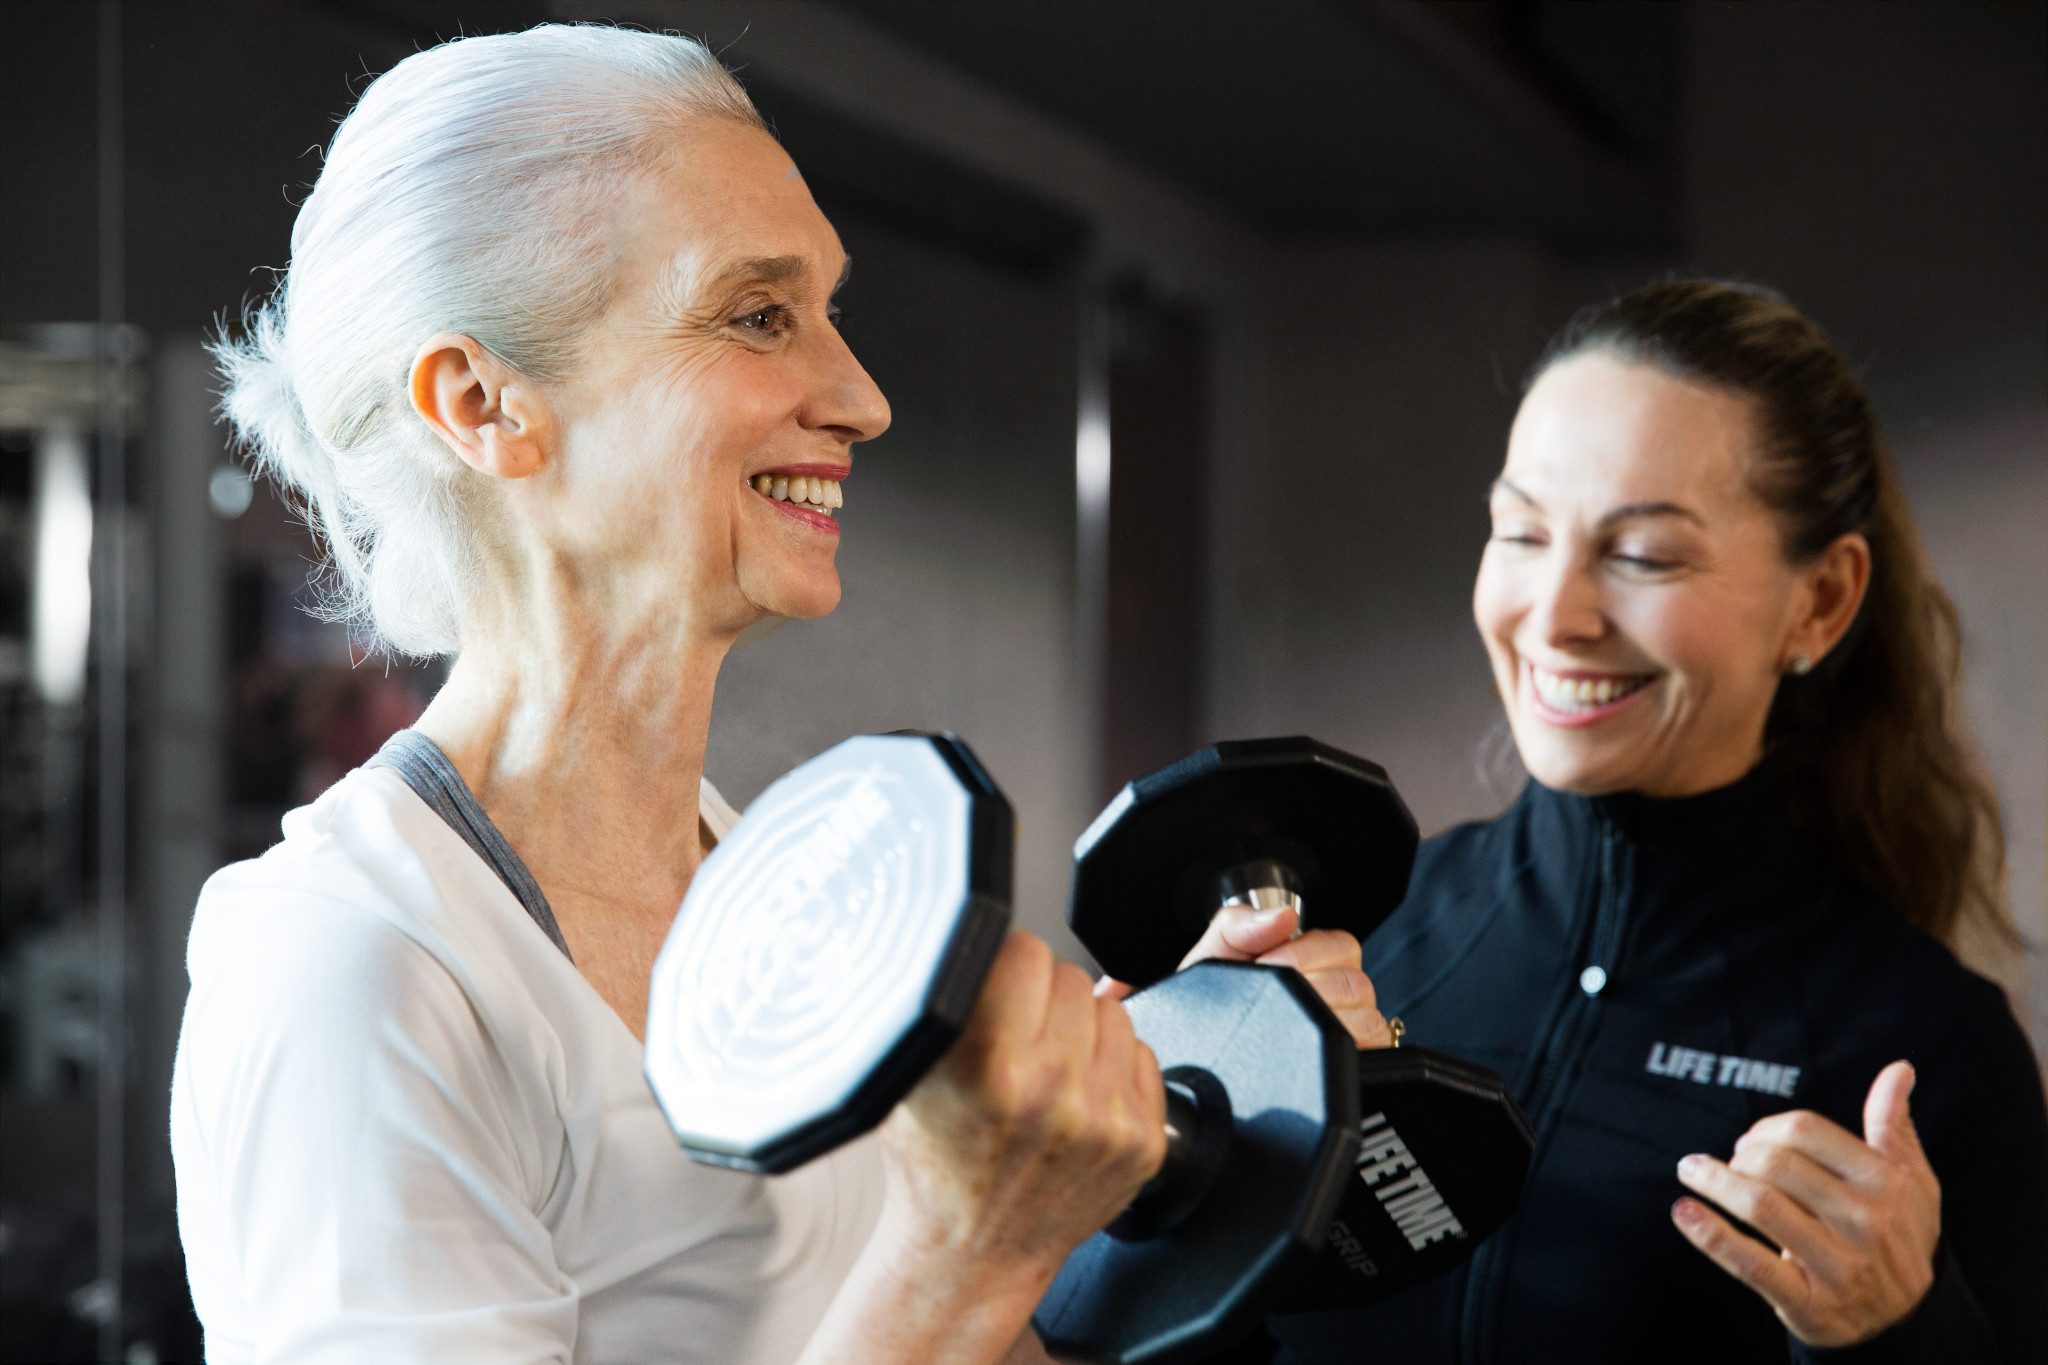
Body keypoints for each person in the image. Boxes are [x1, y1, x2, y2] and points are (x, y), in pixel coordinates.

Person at [167, 25, 1386, 1365]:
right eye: (758, 315)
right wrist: (961, 1246)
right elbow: (937, 1287)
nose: (860, 396)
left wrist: (1140, 1116)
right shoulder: (354, 960)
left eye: (828, 312)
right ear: (483, 402)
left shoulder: (759, 875)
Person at [1264, 280, 2048, 1364]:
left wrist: (1895, 1333)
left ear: (1818, 602)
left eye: (1640, 556)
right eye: (1520, 533)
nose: (1555, 617)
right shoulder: (1353, 935)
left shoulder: (1922, 1051)